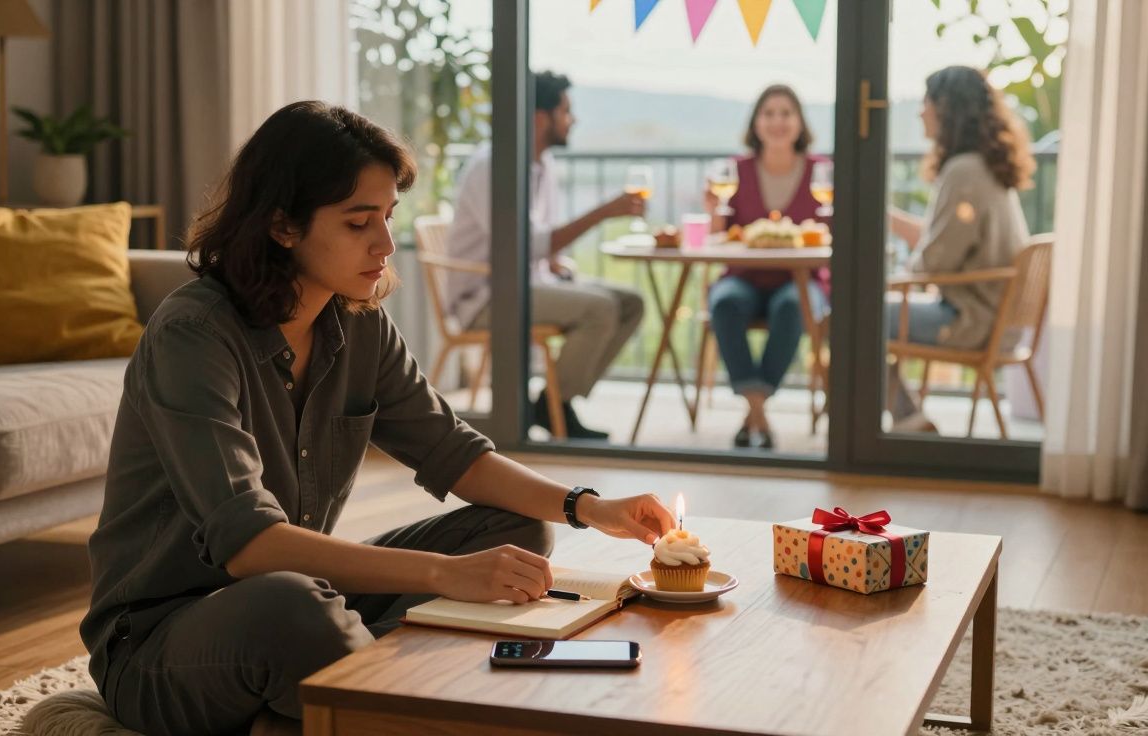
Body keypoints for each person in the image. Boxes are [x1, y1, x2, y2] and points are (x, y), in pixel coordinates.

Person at [80, 101, 675, 736]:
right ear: (283, 225)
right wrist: (446, 576)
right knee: (295, 608)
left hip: (305, 592)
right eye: (360, 222)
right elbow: (250, 545)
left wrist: (589, 506)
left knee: (515, 533)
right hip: (159, 642)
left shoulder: (356, 321)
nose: (387, 245)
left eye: (389, 217)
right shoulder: (193, 335)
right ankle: (366, 691)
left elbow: (453, 450)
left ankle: (338, 696)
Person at [445, 71, 645, 441]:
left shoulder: (542, 164)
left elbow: (540, 245)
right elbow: (526, 244)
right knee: (599, 308)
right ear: (541, 118)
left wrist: (556, 265)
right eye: (566, 111)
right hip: (486, 296)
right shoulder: (493, 165)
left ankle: (555, 403)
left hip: (526, 282)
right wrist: (604, 212)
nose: (574, 120)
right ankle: (554, 408)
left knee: (631, 303)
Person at [886, 65, 1034, 431]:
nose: (921, 111)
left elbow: (933, 263)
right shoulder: (985, 167)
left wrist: (902, 274)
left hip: (972, 322)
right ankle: (906, 413)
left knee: (853, 314)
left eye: (927, 102)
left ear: (947, 108)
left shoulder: (963, 172)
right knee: (868, 309)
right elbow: (947, 240)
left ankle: (906, 416)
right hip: (997, 318)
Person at [703, 84, 830, 450]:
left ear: (799, 122)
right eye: (769, 113)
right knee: (723, 302)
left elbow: (832, 237)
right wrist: (713, 212)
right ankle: (758, 411)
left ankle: (752, 415)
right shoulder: (735, 170)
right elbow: (720, 239)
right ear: (756, 122)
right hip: (744, 278)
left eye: (786, 113)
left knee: (792, 306)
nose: (777, 121)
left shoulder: (822, 172)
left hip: (803, 281)